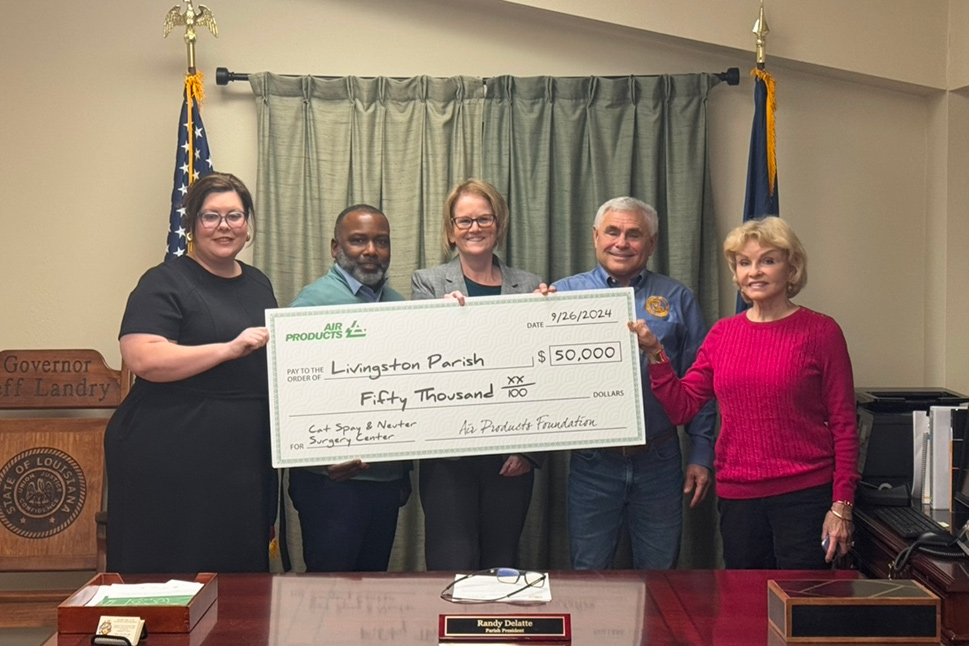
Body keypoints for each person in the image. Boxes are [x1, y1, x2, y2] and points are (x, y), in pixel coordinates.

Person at [632, 216, 858, 569]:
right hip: (739, 499)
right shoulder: (723, 334)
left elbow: (845, 426)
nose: (755, 271)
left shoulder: (822, 332)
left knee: (804, 610)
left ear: (791, 268)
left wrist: (841, 506)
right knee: (746, 611)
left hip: (805, 498)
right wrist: (655, 355)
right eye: (744, 262)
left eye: (768, 260)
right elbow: (683, 408)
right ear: (736, 273)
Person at [105, 172, 278, 573]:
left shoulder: (259, 283)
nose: (224, 226)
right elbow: (143, 358)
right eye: (210, 216)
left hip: (241, 460)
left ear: (248, 226)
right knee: (172, 569)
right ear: (192, 225)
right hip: (169, 450)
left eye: (235, 216)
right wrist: (226, 349)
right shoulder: (164, 281)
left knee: (236, 571)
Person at [542, 196, 716, 570]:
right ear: (595, 237)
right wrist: (535, 316)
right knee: (589, 576)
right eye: (613, 232)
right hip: (593, 462)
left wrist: (702, 453)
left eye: (634, 234)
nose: (622, 242)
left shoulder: (677, 298)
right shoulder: (561, 296)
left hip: (660, 461)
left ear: (651, 243)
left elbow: (700, 383)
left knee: (660, 578)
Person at [411, 179, 543, 571]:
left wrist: (527, 449)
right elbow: (419, 361)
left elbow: (541, 372)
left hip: (511, 454)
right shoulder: (429, 284)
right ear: (451, 230)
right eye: (464, 220)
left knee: (502, 562)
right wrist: (441, 320)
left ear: (498, 225)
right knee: (452, 561)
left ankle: (497, 634)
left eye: (484, 219)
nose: (475, 228)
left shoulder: (531, 286)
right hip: (448, 455)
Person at [287, 204, 412, 572]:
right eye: (358, 240)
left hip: (386, 483)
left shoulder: (401, 308)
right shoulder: (309, 306)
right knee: (329, 598)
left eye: (381, 241)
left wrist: (403, 471)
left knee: (372, 599)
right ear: (335, 247)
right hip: (330, 485)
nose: (371, 250)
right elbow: (291, 397)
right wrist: (320, 461)